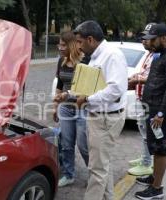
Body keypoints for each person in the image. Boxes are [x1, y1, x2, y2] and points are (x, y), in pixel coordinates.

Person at [73, 20, 128, 200]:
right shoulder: (97, 56)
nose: (78, 47)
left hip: (105, 118)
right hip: (99, 116)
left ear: (90, 39)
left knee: (96, 170)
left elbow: (115, 89)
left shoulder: (111, 55)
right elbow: (92, 85)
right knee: (104, 165)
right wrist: (68, 95)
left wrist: (87, 99)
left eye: (80, 42)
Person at [134, 24, 166, 199]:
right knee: (154, 146)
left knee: (160, 149)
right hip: (151, 107)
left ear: (163, 38)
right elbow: (156, 79)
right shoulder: (160, 54)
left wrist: (160, 114)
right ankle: (154, 177)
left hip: (159, 112)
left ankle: (156, 189)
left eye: (152, 38)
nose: (149, 42)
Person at [53, 31, 89, 187]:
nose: (60, 47)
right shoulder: (61, 61)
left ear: (72, 45)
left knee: (83, 145)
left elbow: (87, 88)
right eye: (59, 44)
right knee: (66, 144)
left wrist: (67, 96)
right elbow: (59, 86)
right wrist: (55, 107)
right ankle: (69, 174)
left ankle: (95, 174)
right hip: (65, 108)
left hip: (82, 108)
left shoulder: (85, 62)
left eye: (63, 44)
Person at [127, 23, 159, 176]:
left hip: (150, 100)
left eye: (148, 38)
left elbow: (154, 78)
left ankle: (147, 163)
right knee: (143, 129)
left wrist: (137, 79)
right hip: (141, 98)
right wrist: (136, 77)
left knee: (147, 133)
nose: (144, 41)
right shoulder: (150, 53)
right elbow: (146, 73)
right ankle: (144, 158)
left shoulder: (159, 55)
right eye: (143, 38)